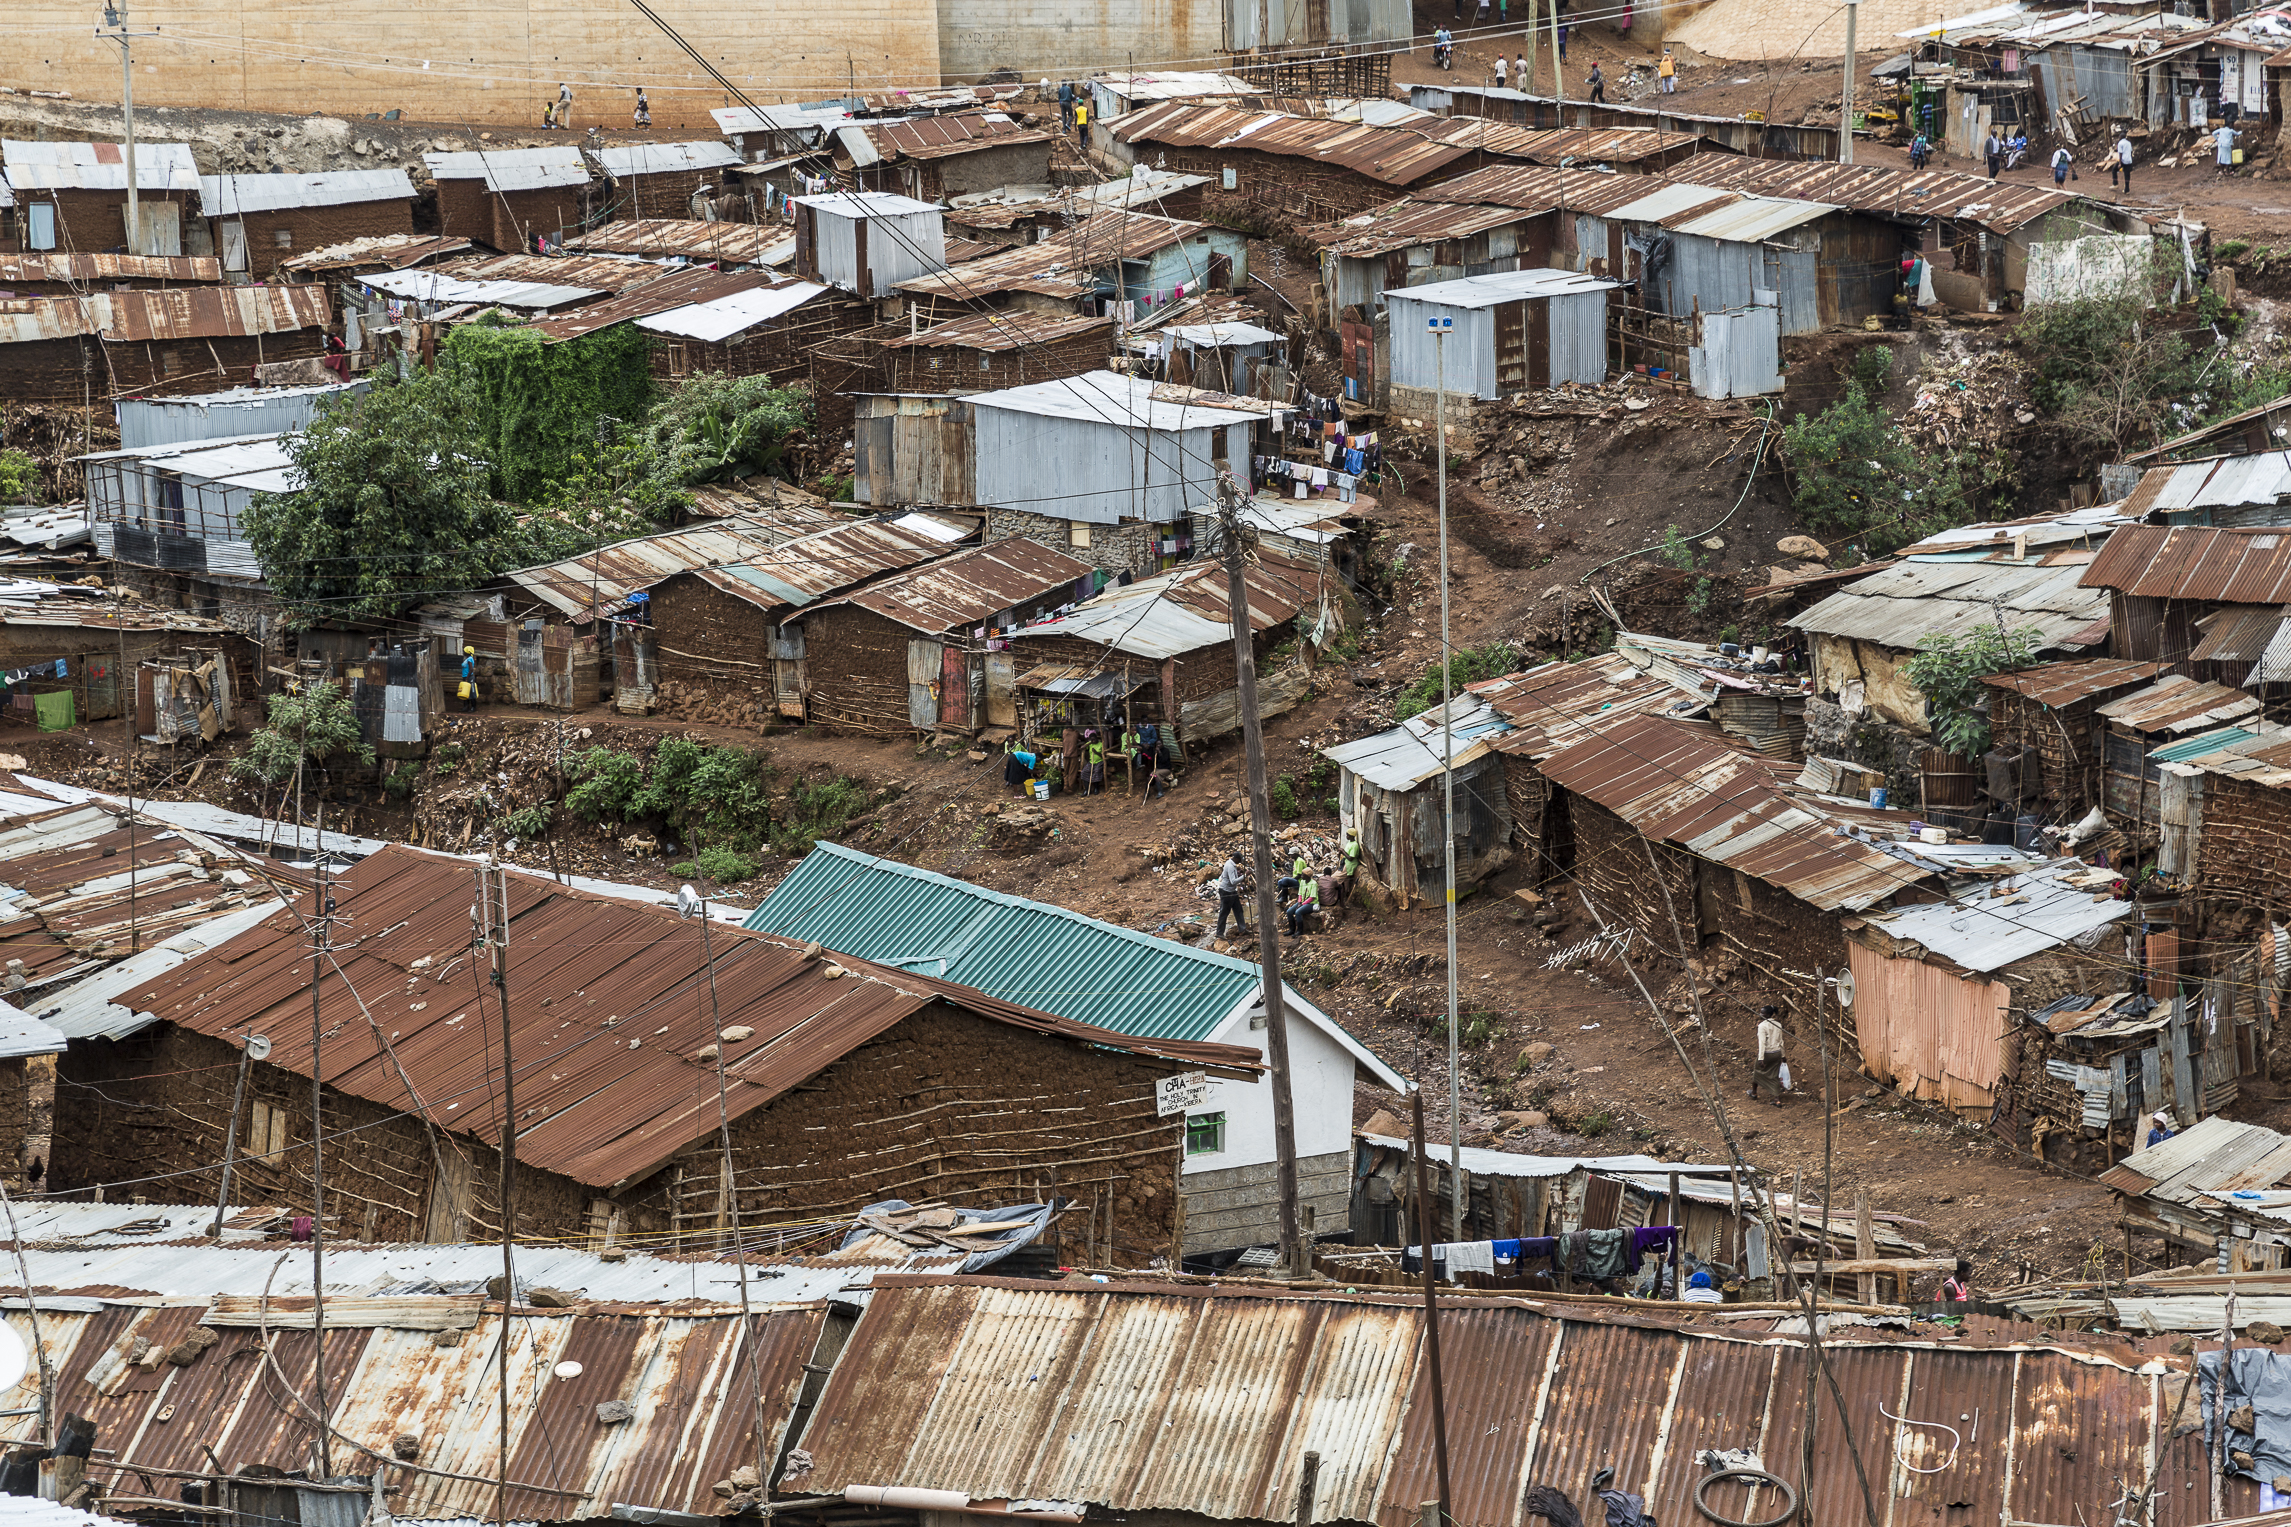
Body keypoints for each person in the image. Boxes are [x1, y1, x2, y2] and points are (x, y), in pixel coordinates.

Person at [1749, 1004, 1788, 1104]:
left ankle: (1754, 1093)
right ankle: (1777, 1099)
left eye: (1763, 1013)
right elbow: (1781, 1041)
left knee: (1757, 1072)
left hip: (1767, 1054)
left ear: (1768, 1014)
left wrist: (1761, 1058)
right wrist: (1783, 1055)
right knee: (1774, 1075)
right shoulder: (1778, 1024)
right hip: (1777, 1053)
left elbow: (1762, 1043)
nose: (1760, 1014)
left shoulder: (1762, 1026)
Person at [1215, 853, 1250, 939]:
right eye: (1240, 859)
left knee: (1238, 910)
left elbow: (1226, 876)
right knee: (1224, 912)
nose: (1241, 861)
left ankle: (1242, 929)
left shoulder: (1230, 863)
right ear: (1237, 859)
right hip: (1226, 892)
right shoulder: (1230, 866)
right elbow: (1233, 881)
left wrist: (1239, 873)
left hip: (1232, 891)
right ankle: (1219, 933)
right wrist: (1245, 875)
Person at [1336, 827, 1361, 906]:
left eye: (1347, 835)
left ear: (1351, 835)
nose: (1346, 836)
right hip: (1345, 863)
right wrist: (1341, 852)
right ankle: (1345, 897)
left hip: (1350, 865)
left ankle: (1342, 898)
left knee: (1334, 878)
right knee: (1345, 883)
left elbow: (1350, 858)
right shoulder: (1349, 843)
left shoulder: (1354, 845)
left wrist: (1343, 851)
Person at [460, 645, 479, 711]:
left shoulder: (470, 658)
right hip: (465, 677)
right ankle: (466, 707)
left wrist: (467, 678)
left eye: (465, 651)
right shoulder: (467, 659)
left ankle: (473, 707)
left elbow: (471, 669)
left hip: (469, 677)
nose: (464, 652)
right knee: (465, 692)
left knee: (471, 692)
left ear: (468, 652)